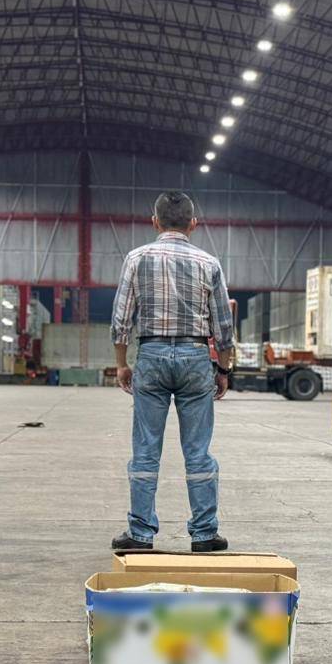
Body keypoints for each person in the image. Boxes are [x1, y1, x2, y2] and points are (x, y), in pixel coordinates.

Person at [109, 190, 236, 552]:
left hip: (151, 354)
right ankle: (204, 533)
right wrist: (223, 369)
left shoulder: (136, 259)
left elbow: (121, 319)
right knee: (198, 451)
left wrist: (122, 363)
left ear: (155, 222)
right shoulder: (209, 263)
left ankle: (140, 534)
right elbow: (223, 326)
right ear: (193, 224)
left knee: (146, 449)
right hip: (196, 357)